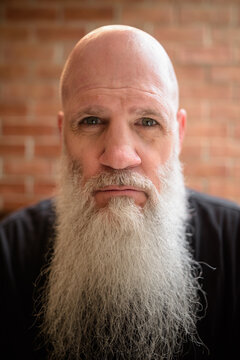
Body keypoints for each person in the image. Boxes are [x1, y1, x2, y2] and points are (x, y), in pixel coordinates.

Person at [0, 25, 239, 360]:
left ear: (179, 133)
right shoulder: (8, 253)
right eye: (92, 121)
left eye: (148, 122)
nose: (119, 156)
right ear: (62, 133)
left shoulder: (235, 244)